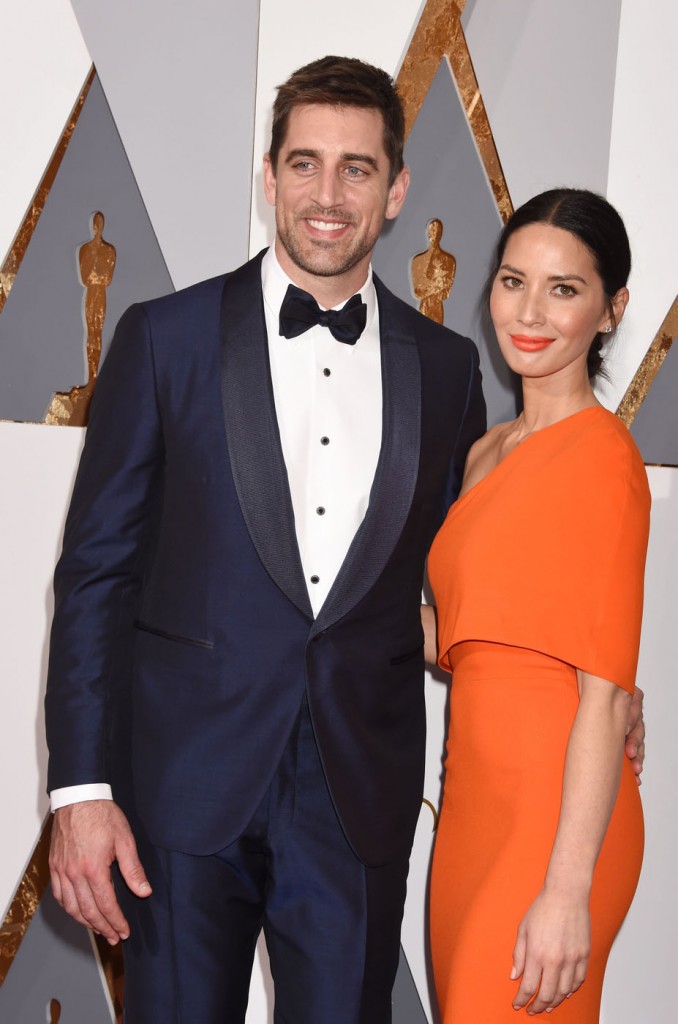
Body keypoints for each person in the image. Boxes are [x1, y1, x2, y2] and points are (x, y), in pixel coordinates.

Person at [44, 58, 644, 1021]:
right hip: (183, 797)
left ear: (397, 187)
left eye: (357, 168)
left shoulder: (448, 375)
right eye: (306, 164)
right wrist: (80, 788)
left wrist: (601, 684)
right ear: (271, 175)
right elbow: (95, 578)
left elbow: (468, 576)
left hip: (357, 798)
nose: (328, 195)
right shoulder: (167, 338)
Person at [424, 188, 650, 1021]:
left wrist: (567, 889)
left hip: (558, 830)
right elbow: (461, 634)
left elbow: (601, 693)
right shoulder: (488, 452)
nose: (530, 312)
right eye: (515, 281)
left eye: (564, 289)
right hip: (472, 814)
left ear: (612, 307)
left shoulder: (602, 462)